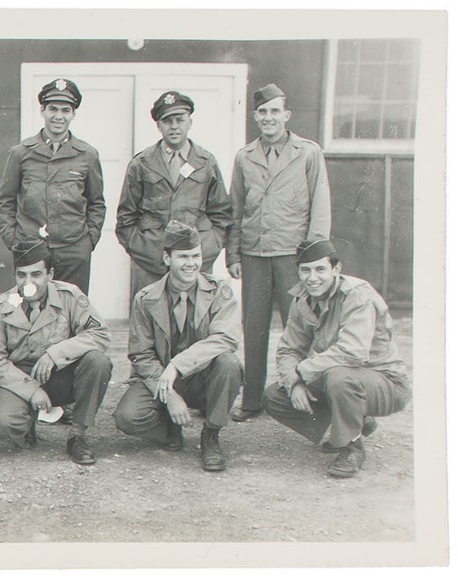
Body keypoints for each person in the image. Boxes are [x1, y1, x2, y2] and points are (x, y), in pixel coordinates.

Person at [226, 83, 331, 422]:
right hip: (256, 254)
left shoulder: (308, 152)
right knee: (254, 327)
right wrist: (234, 254)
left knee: (299, 327)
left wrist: (313, 257)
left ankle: (304, 394)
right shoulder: (245, 156)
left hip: (293, 255)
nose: (269, 118)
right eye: (263, 112)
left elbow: (320, 205)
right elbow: (236, 209)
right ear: (255, 116)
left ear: (286, 115)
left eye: (275, 111)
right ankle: (253, 399)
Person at [263, 240, 411, 478]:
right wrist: (294, 382)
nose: (312, 278)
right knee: (275, 397)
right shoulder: (301, 299)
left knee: (339, 376)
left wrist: (302, 372)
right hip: (340, 379)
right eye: (305, 270)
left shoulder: (356, 294)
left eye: (320, 269)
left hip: (385, 382)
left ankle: (351, 446)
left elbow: (353, 351)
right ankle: (356, 421)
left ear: (336, 269)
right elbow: (288, 350)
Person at [113, 221, 243, 472]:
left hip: (202, 377)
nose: (191, 264)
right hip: (162, 379)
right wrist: (170, 395)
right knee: (126, 417)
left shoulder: (219, 291)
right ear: (166, 258)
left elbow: (226, 338)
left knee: (229, 363)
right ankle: (169, 427)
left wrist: (177, 365)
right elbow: (141, 354)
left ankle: (211, 435)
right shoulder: (146, 298)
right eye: (183, 257)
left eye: (196, 256)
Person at [0, 240, 112, 465]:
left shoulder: (69, 296)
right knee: (1, 425)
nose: (28, 283)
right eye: (21, 275)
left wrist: (56, 353)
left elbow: (100, 334)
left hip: (60, 373)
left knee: (98, 362)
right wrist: (31, 391)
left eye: (36, 275)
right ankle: (27, 422)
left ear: (50, 274)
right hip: (20, 378)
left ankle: (77, 435)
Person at [116, 91, 232, 299]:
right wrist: (145, 251)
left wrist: (206, 249)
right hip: (151, 263)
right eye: (167, 121)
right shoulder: (142, 163)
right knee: (150, 321)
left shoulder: (206, 162)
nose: (174, 126)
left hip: (195, 262)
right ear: (159, 125)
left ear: (190, 122)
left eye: (180, 120)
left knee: (197, 322)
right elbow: (126, 218)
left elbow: (222, 214)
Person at [0, 78, 105, 296]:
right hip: (31, 248)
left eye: (66, 110)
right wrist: (15, 242)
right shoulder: (21, 153)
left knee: (73, 311)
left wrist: (88, 242)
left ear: (73, 114)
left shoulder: (87, 155)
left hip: (73, 249)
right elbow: (5, 202)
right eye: (52, 109)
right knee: (30, 307)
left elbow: (97, 203)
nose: (58, 116)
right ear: (42, 111)